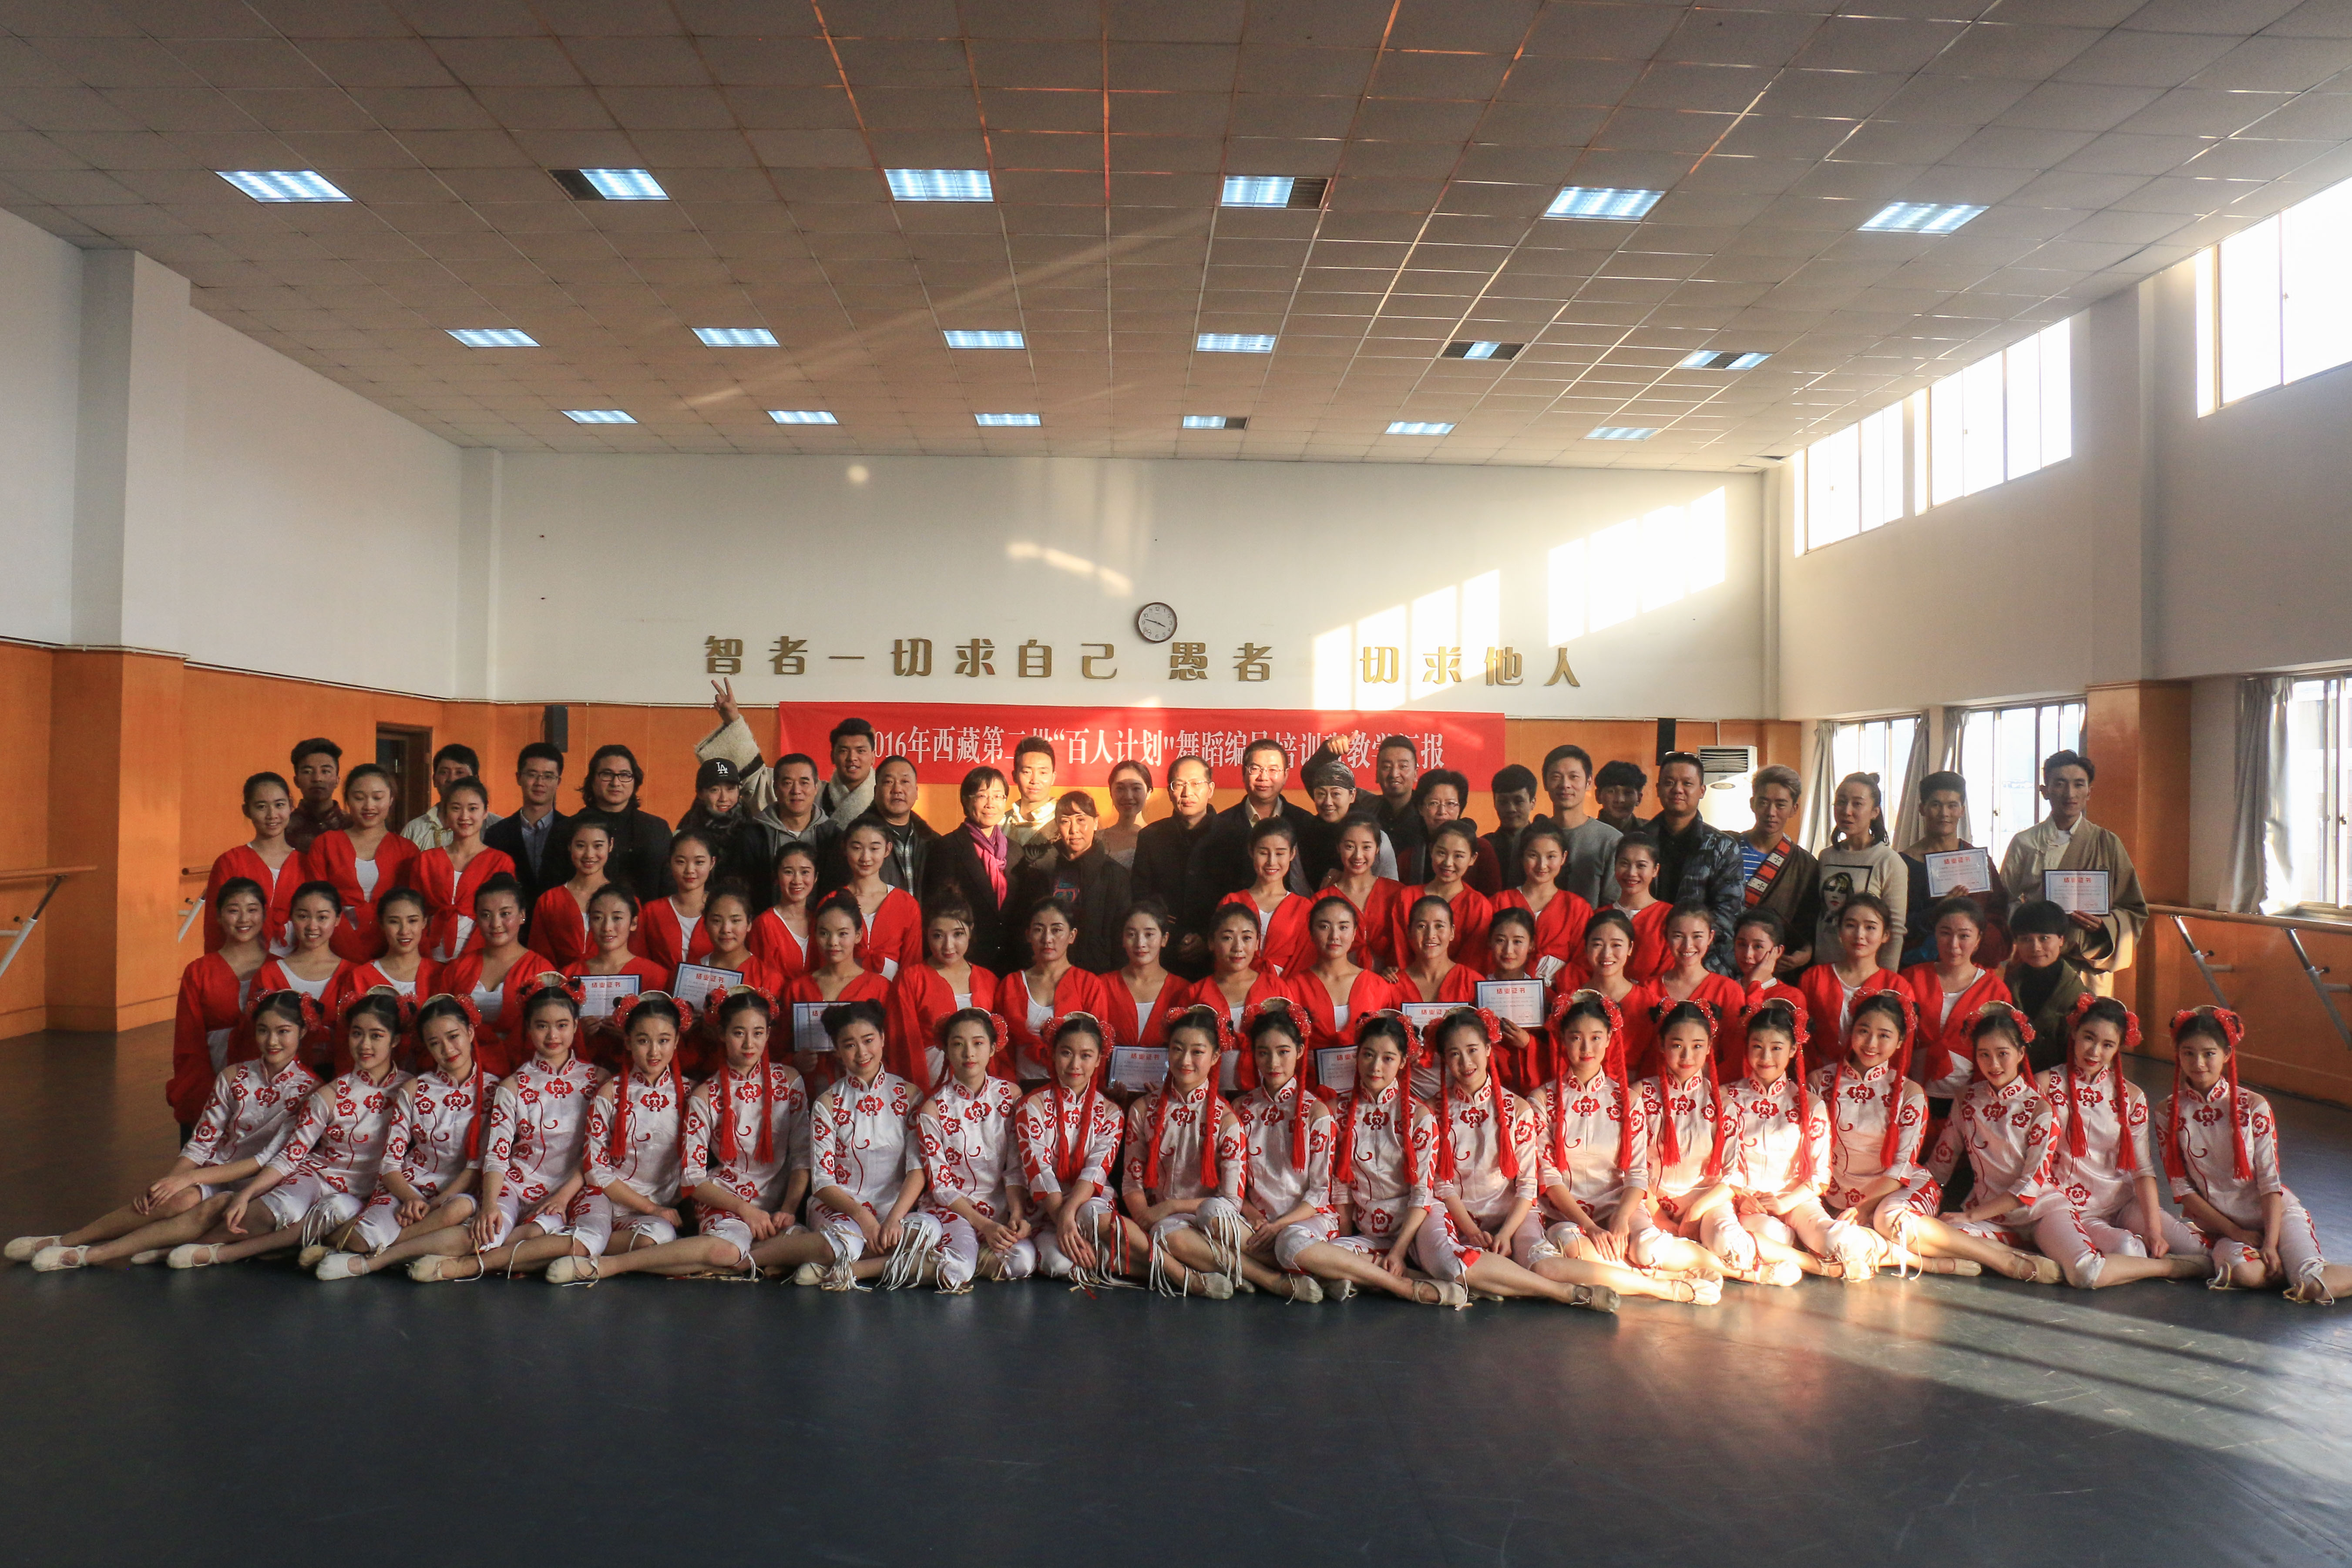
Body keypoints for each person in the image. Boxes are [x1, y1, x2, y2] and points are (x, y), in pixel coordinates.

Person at [15, 990, 321, 1271]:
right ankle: (66, 1240)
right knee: (175, 1200)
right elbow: (202, 1141)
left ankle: (91, 1255)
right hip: (216, 1171)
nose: (272, 1041)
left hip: (265, 1183)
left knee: (207, 1207)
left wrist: (188, 1179)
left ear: (303, 1032)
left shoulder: (311, 1091)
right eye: (263, 1030)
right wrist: (169, 1183)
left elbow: (266, 1160)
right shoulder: (233, 1076)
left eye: (284, 1031)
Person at [555, 988, 810, 1283]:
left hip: (776, 1207)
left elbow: (802, 1156)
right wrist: (745, 1210)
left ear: (769, 1034)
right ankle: (609, 1265)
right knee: (727, 1250)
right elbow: (692, 1178)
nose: (749, 1043)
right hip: (726, 1200)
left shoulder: (790, 1081)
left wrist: (789, 1209)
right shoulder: (705, 1094)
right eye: (739, 1033)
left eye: (758, 1033)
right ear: (722, 1034)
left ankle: (739, 1261)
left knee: (802, 1242)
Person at [166, 988, 413, 1270]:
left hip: (372, 1189)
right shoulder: (328, 1094)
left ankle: (232, 1251)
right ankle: (189, 1248)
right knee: (282, 1207)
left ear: (395, 1040)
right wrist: (247, 1194)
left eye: (376, 1036)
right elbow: (290, 1156)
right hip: (316, 1175)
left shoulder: (411, 1090)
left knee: (342, 1216)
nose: (365, 1044)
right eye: (357, 1034)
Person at [1419, 1007, 1636, 1309]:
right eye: (1454, 1054)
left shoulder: (1518, 1108)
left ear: (1488, 1049)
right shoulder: (1431, 1111)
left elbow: (1527, 1186)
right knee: (1451, 1264)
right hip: (1455, 1215)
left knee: (1540, 1262)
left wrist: (1506, 1233)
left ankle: (1658, 1285)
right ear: (1444, 1058)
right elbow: (1442, 1184)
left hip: (1515, 1214)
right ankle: (1566, 1293)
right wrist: (1471, 1231)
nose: (1466, 1062)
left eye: (1472, 1050)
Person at [404, 977, 598, 1283]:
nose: (552, 1035)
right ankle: (384, 1256)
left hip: (573, 1186)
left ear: (576, 1026)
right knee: (489, 1232)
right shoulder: (513, 1085)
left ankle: (460, 1263)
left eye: (562, 1025)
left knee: (550, 1237)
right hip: (516, 1183)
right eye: (542, 1026)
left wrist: (563, 1196)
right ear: (528, 1028)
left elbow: (595, 1153)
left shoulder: (599, 1081)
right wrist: (490, 1204)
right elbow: (497, 1153)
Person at [2160, 1005, 2352, 1303]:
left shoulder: (2253, 1106)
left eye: (2209, 1054)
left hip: (2276, 1216)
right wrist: (2235, 1232)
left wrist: (2271, 1244)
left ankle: (2297, 1266)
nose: (2198, 1063)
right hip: (2225, 1228)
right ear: (2178, 1054)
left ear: (2227, 1054)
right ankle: (2289, 1267)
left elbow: (2269, 1181)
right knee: (2245, 1274)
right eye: (2189, 1053)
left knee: (2312, 1287)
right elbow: (2181, 1187)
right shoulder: (2168, 1111)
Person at [1810, 989, 1995, 1281]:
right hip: (1838, 1197)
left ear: (1899, 1042)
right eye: (1863, 1031)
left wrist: (1863, 1208)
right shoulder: (1820, 1082)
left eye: (1884, 1035)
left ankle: (2003, 1259)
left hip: (1897, 1191)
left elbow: (1901, 1167)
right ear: (1851, 1032)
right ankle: (1935, 1263)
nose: (1871, 1043)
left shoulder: (1910, 1093)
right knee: (1835, 1242)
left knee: (1892, 1221)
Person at [311, 992, 496, 1279]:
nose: (447, 1049)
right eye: (435, 1043)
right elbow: (390, 1165)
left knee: (462, 1213)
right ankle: (362, 1245)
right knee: (364, 1237)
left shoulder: (494, 1091)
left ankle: (372, 1256)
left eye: (453, 1037)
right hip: (408, 1188)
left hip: (457, 1194)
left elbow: (477, 1165)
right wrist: (412, 1199)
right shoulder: (414, 1089)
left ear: (470, 1032)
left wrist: (437, 1203)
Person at [2030, 997, 2209, 1289]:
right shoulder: (2045, 1085)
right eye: (2089, 1038)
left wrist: (2154, 1231)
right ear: (2074, 1032)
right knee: (2129, 1249)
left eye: (2108, 1044)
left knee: (2200, 1251)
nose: (2095, 1051)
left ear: (2118, 1048)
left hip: (2122, 1202)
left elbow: (2142, 1170)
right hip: (2068, 1206)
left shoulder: (2131, 1096)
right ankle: (2170, 1268)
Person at [751, 998, 926, 1291]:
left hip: (894, 1207)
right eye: (849, 1045)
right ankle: (754, 1259)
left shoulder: (910, 1095)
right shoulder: (828, 1103)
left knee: (929, 1233)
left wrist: (894, 1218)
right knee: (844, 1242)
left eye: (868, 1040)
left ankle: (815, 1259)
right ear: (837, 1050)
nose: (862, 1052)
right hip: (842, 1207)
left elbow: (917, 1169)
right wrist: (864, 1218)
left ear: (883, 1039)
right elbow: (822, 1182)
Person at [1310, 1014, 1468, 1307]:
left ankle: (1382, 1274)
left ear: (1403, 1062)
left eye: (1388, 1058)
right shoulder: (1337, 1112)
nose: (1376, 1066)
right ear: (1357, 1056)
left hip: (1418, 1223)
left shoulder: (1418, 1115)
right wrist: (1344, 1241)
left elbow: (1422, 1192)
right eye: (1368, 1055)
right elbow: (1341, 1188)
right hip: (1371, 1231)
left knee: (1452, 1268)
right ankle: (1410, 1281)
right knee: (1316, 1254)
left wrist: (1398, 1250)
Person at [1918, 1004, 2076, 1285]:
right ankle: (2018, 1259)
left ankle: (2167, 1267)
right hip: (1990, 1220)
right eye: (1984, 1055)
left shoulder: (2039, 1108)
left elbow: (2030, 1187)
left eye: (2003, 1054)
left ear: (2021, 1054)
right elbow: (1940, 1166)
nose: (1994, 1065)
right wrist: (1910, 1197)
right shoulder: (1967, 1099)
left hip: (2041, 1214)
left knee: (2084, 1271)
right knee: (1927, 1234)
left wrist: (1970, 1215)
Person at [545, 991, 696, 1279]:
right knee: (647, 1237)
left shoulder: (691, 1094)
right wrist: (651, 1208)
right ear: (627, 1041)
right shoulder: (610, 1092)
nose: (654, 1051)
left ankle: (571, 1249)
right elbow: (595, 1167)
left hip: (659, 1209)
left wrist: (657, 1210)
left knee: (659, 1237)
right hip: (606, 1196)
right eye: (643, 1040)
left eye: (664, 1040)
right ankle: (581, 1245)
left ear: (677, 1041)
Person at [885, 1009, 1036, 1290]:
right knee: (958, 1269)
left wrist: (1017, 1214)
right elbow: (941, 1186)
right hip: (954, 1209)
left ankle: (941, 1259)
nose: (969, 1053)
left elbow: (1016, 1168)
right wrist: (984, 1225)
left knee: (1023, 1261)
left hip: (1001, 1208)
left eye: (978, 1043)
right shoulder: (933, 1109)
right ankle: (863, 1269)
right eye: (958, 1044)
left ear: (993, 1047)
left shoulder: (1011, 1096)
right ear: (945, 1050)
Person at [1121, 1006, 1250, 1298]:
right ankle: (1252, 1275)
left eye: (1197, 1052)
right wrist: (1144, 1217)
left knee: (1183, 1229)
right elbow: (1132, 1181)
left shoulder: (1226, 1120)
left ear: (1215, 1057)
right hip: (1158, 1221)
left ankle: (1236, 1273)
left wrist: (1171, 1207)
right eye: (1177, 1049)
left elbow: (1231, 1201)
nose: (1185, 1060)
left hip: (1208, 1221)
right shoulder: (1143, 1109)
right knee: (1158, 1233)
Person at [1996, 750, 2147, 997]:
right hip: (2036, 960)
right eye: (2060, 784)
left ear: (2089, 792)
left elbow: (2134, 908)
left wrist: (2105, 925)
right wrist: (2032, 925)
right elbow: (2005, 900)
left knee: (2087, 1020)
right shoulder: (2025, 843)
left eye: (2079, 785)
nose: (2070, 794)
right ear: (2045, 791)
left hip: (2087, 965)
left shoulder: (2106, 843)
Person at [1715, 997, 1838, 1282]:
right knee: (1767, 1232)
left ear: (1794, 1049)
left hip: (1795, 1199)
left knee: (1835, 1241)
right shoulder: (1725, 1098)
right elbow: (1714, 1165)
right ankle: (1801, 1254)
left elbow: (1821, 1176)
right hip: (1748, 1203)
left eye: (1777, 1048)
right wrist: (1740, 1197)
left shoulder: (1811, 1104)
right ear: (1747, 1047)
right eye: (1757, 1047)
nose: (1766, 1057)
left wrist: (1784, 1205)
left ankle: (1792, 1246)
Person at [1221, 1006, 1337, 1301]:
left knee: (1290, 1242)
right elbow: (1234, 1182)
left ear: (1300, 1051)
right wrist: (1255, 1217)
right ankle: (1321, 1272)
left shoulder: (1316, 1112)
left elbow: (1320, 1192)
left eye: (1283, 1052)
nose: (1273, 1063)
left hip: (1304, 1220)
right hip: (1255, 1222)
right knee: (1212, 1216)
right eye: (1263, 1053)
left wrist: (1280, 1226)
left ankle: (1264, 1271)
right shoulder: (1241, 1109)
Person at [1900, 896, 2013, 1198]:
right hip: (1915, 1094)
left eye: (1964, 936)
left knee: (1959, 1181)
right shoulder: (1912, 977)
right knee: (1910, 1171)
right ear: (1934, 934)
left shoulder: (1995, 989)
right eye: (1945, 933)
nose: (1954, 945)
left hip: (1967, 1099)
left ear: (1978, 940)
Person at [1015, 1015, 1132, 1283]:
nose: (1075, 1065)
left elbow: (1096, 1171)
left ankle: (1174, 1271)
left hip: (1088, 1203)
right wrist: (1062, 1220)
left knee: (1091, 1216)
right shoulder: (1032, 1105)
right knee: (1058, 1263)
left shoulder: (1111, 1112)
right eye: (1066, 1053)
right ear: (1053, 1054)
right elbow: (1038, 1169)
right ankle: (1158, 1270)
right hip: (1046, 1209)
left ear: (1099, 1059)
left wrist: (1069, 1215)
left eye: (1086, 1056)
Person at [693, 682, 852, 863]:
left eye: (804, 783)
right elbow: (754, 775)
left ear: (816, 788)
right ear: (775, 788)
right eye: (788, 783)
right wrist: (733, 720)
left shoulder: (833, 835)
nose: (797, 791)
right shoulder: (754, 835)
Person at [165, 878, 270, 1139]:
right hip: (210, 1088)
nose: (244, 919)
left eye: (252, 909)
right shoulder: (199, 972)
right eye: (234, 910)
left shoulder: (280, 967)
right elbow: (188, 1043)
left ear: (264, 914)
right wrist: (208, 1099)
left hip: (268, 1097)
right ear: (219, 916)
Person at [1183, 739, 1317, 936]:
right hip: (1232, 936)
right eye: (1256, 769)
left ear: (1286, 775)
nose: (1264, 777)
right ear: (1244, 773)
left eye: (1273, 770)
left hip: (1294, 934)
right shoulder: (1219, 827)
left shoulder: (1305, 824)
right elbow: (1205, 890)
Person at [1182, 903, 1302, 1095]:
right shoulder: (1196, 993)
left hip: (1267, 1094)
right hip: (1207, 1096)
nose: (1238, 948)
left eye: (1247, 938)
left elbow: (1292, 1043)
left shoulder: (1276, 988)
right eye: (1227, 938)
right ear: (1211, 942)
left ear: (1257, 943)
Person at [1006, 791, 1131, 974]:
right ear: (1057, 825)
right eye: (1065, 822)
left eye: (1081, 820)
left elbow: (1121, 935)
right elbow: (1023, 925)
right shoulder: (1038, 870)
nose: (1074, 830)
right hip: (1045, 973)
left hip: (1096, 975)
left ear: (1096, 823)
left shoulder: (1114, 875)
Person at [885, 897, 998, 1095]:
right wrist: (915, 1094)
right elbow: (902, 1044)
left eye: (958, 934)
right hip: (928, 1084)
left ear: (971, 930)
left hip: (982, 1088)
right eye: (938, 936)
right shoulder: (911, 979)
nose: (948, 946)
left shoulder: (989, 980)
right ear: (926, 934)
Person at [779, 893, 892, 1088]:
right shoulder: (798, 988)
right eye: (824, 933)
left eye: (843, 934)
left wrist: (862, 1058)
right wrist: (795, 1062)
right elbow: (779, 1046)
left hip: (864, 1091)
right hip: (808, 1089)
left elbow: (893, 1048)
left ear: (858, 935)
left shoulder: (879, 987)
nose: (833, 942)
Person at [997, 898, 1112, 1086]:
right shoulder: (1011, 984)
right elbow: (1000, 1049)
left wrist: (1091, 1091)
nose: (1047, 939)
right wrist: (1008, 1089)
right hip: (1019, 1088)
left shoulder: (1089, 984)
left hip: (1072, 1089)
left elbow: (1099, 1047)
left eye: (1057, 930)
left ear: (1072, 936)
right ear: (1028, 935)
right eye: (1039, 930)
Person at [1898, 770, 2007, 970]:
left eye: (1952, 806)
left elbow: (1998, 913)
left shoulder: (1978, 861)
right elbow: (1897, 923)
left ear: (1962, 811)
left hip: (1974, 967)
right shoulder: (1903, 864)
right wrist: (1937, 912)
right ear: (1922, 809)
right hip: (1919, 968)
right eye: (1936, 805)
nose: (1944, 813)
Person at [1646, 752, 1742, 976]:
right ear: (1658, 789)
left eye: (1687, 783)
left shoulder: (1723, 847)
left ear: (1702, 791)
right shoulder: (1639, 841)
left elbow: (1728, 914)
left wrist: (1686, 948)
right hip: (1646, 957)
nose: (1678, 790)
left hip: (1704, 962)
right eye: (1669, 783)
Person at [309, 764, 415, 963]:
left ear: (391, 799)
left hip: (390, 946)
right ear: (348, 800)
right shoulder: (326, 844)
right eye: (359, 798)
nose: (369, 806)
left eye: (377, 797)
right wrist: (344, 943)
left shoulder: (407, 850)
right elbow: (317, 901)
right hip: (332, 946)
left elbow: (410, 907)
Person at [1294, 895, 1398, 1095]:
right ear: (1311, 932)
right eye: (1324, 927)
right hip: (1308, 1091)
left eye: (1343, 927)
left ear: (1355, 932)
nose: (1334, 936)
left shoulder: (1377, 985)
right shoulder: (1292, 987)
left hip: (1368, 1090)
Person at [405, 776, 513, 964]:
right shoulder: (426, 860)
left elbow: (505, 917)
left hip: (482, 960)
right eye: (456, 808)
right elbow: (414, 912)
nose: (464, 816)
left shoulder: (500, 862)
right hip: (429, 959)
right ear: (445, 812)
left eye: (473, 809)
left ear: (485, 812)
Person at [436, 876, 537, 1075]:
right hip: (464, 1071)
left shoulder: (541, 970)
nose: (495, 924)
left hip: (524, 1071)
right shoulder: (459, 967)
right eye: (486, 915)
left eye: (505, 914)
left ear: (522, 915)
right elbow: (439, 1022)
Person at [1633, 901, 1745, 1076]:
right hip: (1653, 1086)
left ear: (1711, 937)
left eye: (1697, 936)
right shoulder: (1647, 989)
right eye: (1679, 936)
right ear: (1666, 936)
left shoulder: (1728, 991)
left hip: (1709, 1087)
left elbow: (1735, 1055)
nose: (1688, 946)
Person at [1129, 753, 1216, 977]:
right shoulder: (1151, 837)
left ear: (1211, 789)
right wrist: (1171, 937)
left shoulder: (1231, 836)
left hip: (1218, 958)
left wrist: (1208, 938)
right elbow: (1142, 897)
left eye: (1196, 784)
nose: (1187, 793)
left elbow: (1237, 899)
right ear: (1169, 792)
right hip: (1163, 954)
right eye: (1179, 785)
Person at [922, 766, 1015, 972]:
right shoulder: (947, 848)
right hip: (964, 961)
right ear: (966, 800)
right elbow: (938, 910)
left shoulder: (1016, 851)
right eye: (982, 796)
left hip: (1011, 962)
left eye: (998, 796)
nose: (991, 804)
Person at [202, 771, 306, 954]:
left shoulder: (306, 863)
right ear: (247, 810)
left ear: (291, 806)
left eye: (279, 805)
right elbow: (214, 927)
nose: (272, 815)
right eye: (261, 807)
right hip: (243, 963)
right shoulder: (231, 862)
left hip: (297, 966)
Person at [1814, 772, 1907, 970]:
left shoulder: (1889, 861)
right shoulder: (1826, 857)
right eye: (1841, 802)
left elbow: (1895, 930)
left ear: (1875, 812)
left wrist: (1885, 979)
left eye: (1857, 804)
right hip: (1825, 970)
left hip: (1866, 974)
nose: (1847, 811)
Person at [254, 882, 352, 1068]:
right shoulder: (269, 974)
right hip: (277, 1078)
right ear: (291, 917)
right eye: (303, 916)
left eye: (322, 918)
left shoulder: (354, 975)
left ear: (338, 919)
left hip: (341, 1080)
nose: (312, 926)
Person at [558, 743, 672, 903]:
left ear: (635, 781)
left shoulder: (657, 829)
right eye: (607, 774)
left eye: (625, 775)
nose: (616, 783)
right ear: (592, 780)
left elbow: (670, 888)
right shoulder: (568, 829)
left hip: (648, 916)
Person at [1737, 764, 1819, 975]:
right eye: (1764, 802)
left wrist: (1807, 951)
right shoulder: (1727, 847)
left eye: (1781, 805)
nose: (1771, 813)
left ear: (1794, 809)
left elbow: (1809, 922)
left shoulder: (1805, 865)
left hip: (1775, 967)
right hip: (1725, 958)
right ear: (1752, 803)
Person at [672, 756, 779, 916]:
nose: (724, 798)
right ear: (700, 793)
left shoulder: (754, 829)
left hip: (744, 916)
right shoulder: (687, 832)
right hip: (697, 914)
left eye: (730, 789)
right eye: (715, 790)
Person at [1798, 893, 1904, 1045]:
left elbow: (1902, 1046)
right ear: (1839, 931)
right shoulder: (1814, 978)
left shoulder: (1897, 987)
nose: (1859, 935)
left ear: (1886, 935)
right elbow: (1801, 1036)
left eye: (1870, 927)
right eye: (1850, 926)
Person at [1216, 817, 1313, 978]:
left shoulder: (1304, 907)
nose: (1271, 862)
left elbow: (1304, 961)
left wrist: (1280, 990)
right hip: (1236, 986)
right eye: (1263, 853)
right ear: (1251, 852)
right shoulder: (1232, 902)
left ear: (1292, 854)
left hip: (1287, 989)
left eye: (1280, 853)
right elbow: (1221, 955)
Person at [483, 742, 571, 917]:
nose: (540, 783)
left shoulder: (573, 831)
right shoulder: (496, 834)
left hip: (561, 922)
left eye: (548, 776)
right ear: (519, 778)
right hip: (512, 927)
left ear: (558, 782)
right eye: (532, 774)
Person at [1496, 825, 1592, 984]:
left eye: (1551, 857)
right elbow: (1485, 956)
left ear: (1564, 857)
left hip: (1561, 994)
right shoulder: (1499, 903)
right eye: (1533, 856)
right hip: (1506, 990)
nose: (1542, 865)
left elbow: (1584, 962)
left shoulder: (1578, 908)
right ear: (1522, 856)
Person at [1393, 819, 1494, 965]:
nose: (1448, 863)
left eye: (1459, 856)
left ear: (1473, 859)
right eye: (1441, 853)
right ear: (1431, 851)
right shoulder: (1406, 898)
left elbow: (1475, 962)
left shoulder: (1479, 907)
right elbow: (1400, 954)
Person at [2004, 898, 2089, 1071]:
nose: (2036, 947)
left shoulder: (2079, 995)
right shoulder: (2010, 984)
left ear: (2061, 940)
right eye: (2026, 940)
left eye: (2044, 938)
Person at [833, 818, 923, 979]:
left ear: (888, 850)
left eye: (874, 849)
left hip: (894, 992)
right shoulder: (832, 902)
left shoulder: (906, 904)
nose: (865, 857)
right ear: (845, 848)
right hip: (843, 992)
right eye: (857, 848)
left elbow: (912, 965)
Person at [1535, 744, 1623, 907]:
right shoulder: (1529, 837)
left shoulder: (1611, 840)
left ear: (1588, 782)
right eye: (1556, 777)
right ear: (1545, 783)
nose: (1565, 785)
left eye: (1574, 777)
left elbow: (1613, 904)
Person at [1103, 901, 1188, 1071]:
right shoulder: (1101, 986)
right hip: (1106, 1086)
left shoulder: (1184, 990)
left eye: (1149, 935)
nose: (1140, 943)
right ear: (1122, 939)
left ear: (1165, 939)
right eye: (1131, 934)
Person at [1394, 769, 1505, 894]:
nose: (1442, 812)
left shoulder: (1481, 849)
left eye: (1451, 804)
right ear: (1420, 808)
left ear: (1460, 808)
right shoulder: (1408, 856)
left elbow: (1492, 899)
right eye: (1434, 803)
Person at [837, 756, 936, 896]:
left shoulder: (932, 842)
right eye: (889, 782)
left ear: (916, 792)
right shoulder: (855, 838)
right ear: (876, 791)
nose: (897, 789)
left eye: (905, 782)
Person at [1299, 752, 1398, 888]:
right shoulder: (1305, 836)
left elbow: (1390, 889)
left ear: (1352, 795)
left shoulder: (1373, 836)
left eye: (1336, 794)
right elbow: (1299, 891)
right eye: (1321, 794)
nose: (1328, 802)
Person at [526, 819, 611, 970]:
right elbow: (540, 959)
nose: (589, 855)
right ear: (569, 846)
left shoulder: (626, 901)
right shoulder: (549, 900)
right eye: (580, 846)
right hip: (560, 983)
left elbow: (635, 957)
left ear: (611, 845)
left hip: (615, 983)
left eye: (598, 846)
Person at [1322, 816, 1403, 972]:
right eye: (1350, 847)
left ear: (1377, 849)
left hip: (1393, 983)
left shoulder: (1398, 894)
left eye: (1366, 847)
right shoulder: (1324, 900)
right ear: (1338, 848)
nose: (1358, 856)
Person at [747, 841, 821, 987]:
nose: (797, 880)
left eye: (805, 872)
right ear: (776, 877)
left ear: (816, 877)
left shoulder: (820, 921)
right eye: (788, 872)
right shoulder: (765, 924)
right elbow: (760, 980)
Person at [401, 743, 499, 850]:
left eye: (460, 772)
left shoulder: (497, 827)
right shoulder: (415, 830)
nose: (452, 779)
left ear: (475, 779)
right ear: (434, 780)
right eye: (444, 773)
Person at [1603, 833, 1672, 982]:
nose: (1631, 873)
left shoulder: (1670, 917)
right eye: (1624, 864)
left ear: (1656, 870)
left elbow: (1670, 975)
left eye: (1641, 866)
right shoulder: (1599, 916)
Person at [1005, 736, 1060, 870]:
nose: (1035, 780)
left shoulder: (1065, 822)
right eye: (1027, 772)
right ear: (1014, 776)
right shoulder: (1000, 822)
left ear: (1053, 777)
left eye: (1043, 773)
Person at [1482, 764, 1540, 887]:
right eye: (1503, 802)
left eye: (1519, 802)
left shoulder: (1547, 845)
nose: (1511, 809)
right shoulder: (1484, 847)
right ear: (1495, 803)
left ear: (1533, 802)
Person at [286, 737, 347, 853]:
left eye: (325, 771)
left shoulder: (351, 825)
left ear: (337, 780)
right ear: (296, 781)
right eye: (308, 772)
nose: (317, 779)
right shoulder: (284, 827)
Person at [1099, 760, 1151, 867]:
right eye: (1120, 789)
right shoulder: (1096, 840)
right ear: (1111, 792)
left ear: (1149, 793)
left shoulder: (1159, 839)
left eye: (1136, 789)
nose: (1128, 796)